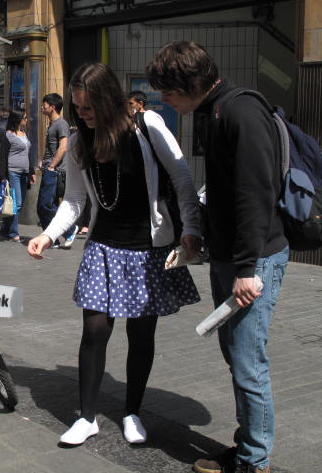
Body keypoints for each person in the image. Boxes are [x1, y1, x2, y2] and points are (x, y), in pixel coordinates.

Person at [27, 62, 201, 446]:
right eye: (78, 109)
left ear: (108, 102)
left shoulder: (148, 125)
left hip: (148, 249)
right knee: (94, 331)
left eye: (89, 109)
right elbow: (74, 200)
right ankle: (86, 417)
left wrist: (190, 229)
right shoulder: (80, 141)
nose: (84, 116)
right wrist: (49, 235)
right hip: (103, 248)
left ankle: (132, 412)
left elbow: (182, 179)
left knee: (141, 334)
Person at [146, 41, 288, 473]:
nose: (164, 101)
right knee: (237, 355)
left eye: (168, 92)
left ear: (190, 83)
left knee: (248, 363)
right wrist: (199, 238)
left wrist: (246, 268)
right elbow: (224, 193)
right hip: (231, 257)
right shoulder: (213, 112)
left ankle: (254, 462)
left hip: (254, 261)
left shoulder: (240, 112)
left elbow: (254, 196)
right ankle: (248, 446)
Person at [37, 93, 78, 248]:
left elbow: (63, 147)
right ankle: (52, 239)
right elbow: (51, 147)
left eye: (44, 105)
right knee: (44, 207)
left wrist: (52, 165)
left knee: (45, 205)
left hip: (55, 171)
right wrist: (43, 159)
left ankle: (70, 229)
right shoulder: (52, 124)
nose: (42, 107)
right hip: (49, 168)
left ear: (52, 107)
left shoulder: (61, 124)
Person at [0, 109, 35, 242]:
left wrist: (31, 172)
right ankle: (14, 233)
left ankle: (4, 229)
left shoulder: (23, 134)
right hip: (13, 173)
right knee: (16, 204)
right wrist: (3, 175)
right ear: (17, 119)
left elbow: (27, 154)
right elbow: (3, 156)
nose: (26, 119)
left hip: (24, 173)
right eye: (24, 117)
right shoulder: (8, 135)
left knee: (18, 203)